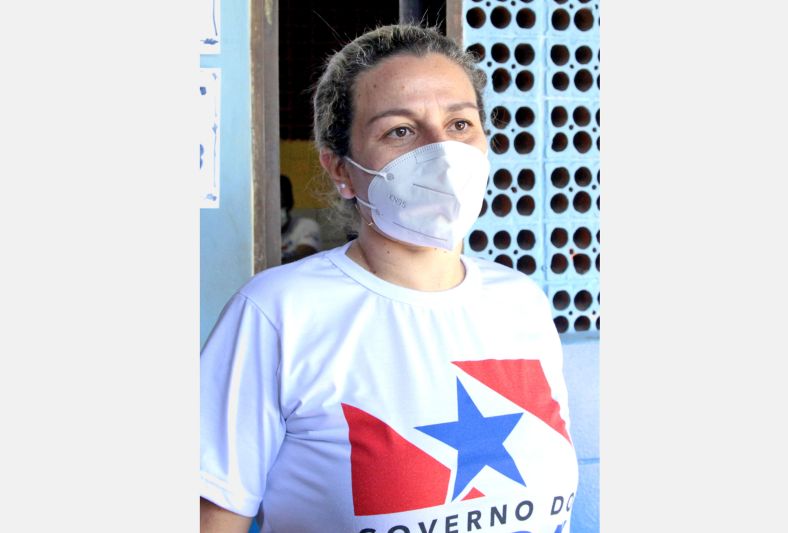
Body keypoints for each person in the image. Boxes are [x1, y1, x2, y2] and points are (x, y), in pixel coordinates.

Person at [200, 24, 578, 533]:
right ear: (340, 169)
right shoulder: (278, 314)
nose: (442, 153)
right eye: (400, 131)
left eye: (461, 124)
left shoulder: (521, 303)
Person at [279, 174, 321, 264]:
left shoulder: (306, 226)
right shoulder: (258, 234)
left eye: (281, 205)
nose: (276, 209)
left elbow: (306, 252)